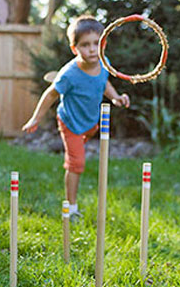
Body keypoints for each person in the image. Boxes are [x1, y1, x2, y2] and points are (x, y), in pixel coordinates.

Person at [22, 15, 130, 221]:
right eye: (85, 45)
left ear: (104, 43)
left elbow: (104, 82)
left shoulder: (104, 63)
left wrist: (115, 97)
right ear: (74, 49)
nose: (92, 49)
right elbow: (51, 93)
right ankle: (71, 207)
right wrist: (35, 118)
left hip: (91, 123)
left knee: (81, 148)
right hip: (70, 122)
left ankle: (75, 155)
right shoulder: (69, 74)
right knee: (76, 162)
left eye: (96, 44)